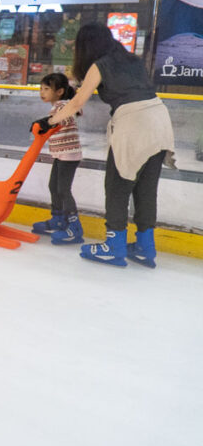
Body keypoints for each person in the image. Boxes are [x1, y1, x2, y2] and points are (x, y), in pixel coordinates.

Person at [35, 23, 176, 268]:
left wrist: (48, 121)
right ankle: (145, 247)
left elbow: (77, 101)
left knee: (117, 186)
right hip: (160, 121)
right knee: (145, 189)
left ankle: (114, 246)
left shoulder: (99, 64)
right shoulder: (131, 60)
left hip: (134, 123)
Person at [29, 73, 83, 245]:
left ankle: (74, 228)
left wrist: (47, 122)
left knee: (63, 189)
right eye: (40, 89)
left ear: (59, 91)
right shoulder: (59, 105)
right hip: (62, 154)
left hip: (69, 154)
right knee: (54, 186)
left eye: (46, 89)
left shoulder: (62, 106)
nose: (42, 92)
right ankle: (58, 219)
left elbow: (64, 119)